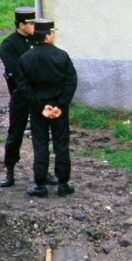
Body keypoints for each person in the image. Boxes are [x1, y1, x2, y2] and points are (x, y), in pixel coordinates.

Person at [16, 18, 78, 198]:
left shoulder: (26, 58)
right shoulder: (62, 56)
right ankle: (63, 183)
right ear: (48, 35)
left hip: (38, 109)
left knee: (40, 144)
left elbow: (23, 85)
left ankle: (40, 185)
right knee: (61, 144)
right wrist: (60, 105)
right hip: (60, 109)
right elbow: (71, 81)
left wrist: (41, 106)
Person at [0, 7, 37, 188]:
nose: (33, 26)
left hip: (38, 94)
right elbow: (14, 70)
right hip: (20, 93)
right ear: (21, 25)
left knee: (41, 132)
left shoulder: (36, 40)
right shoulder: (8, 45)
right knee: (15, 133)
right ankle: (10, 171)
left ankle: (42, 171)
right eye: (30, 23)